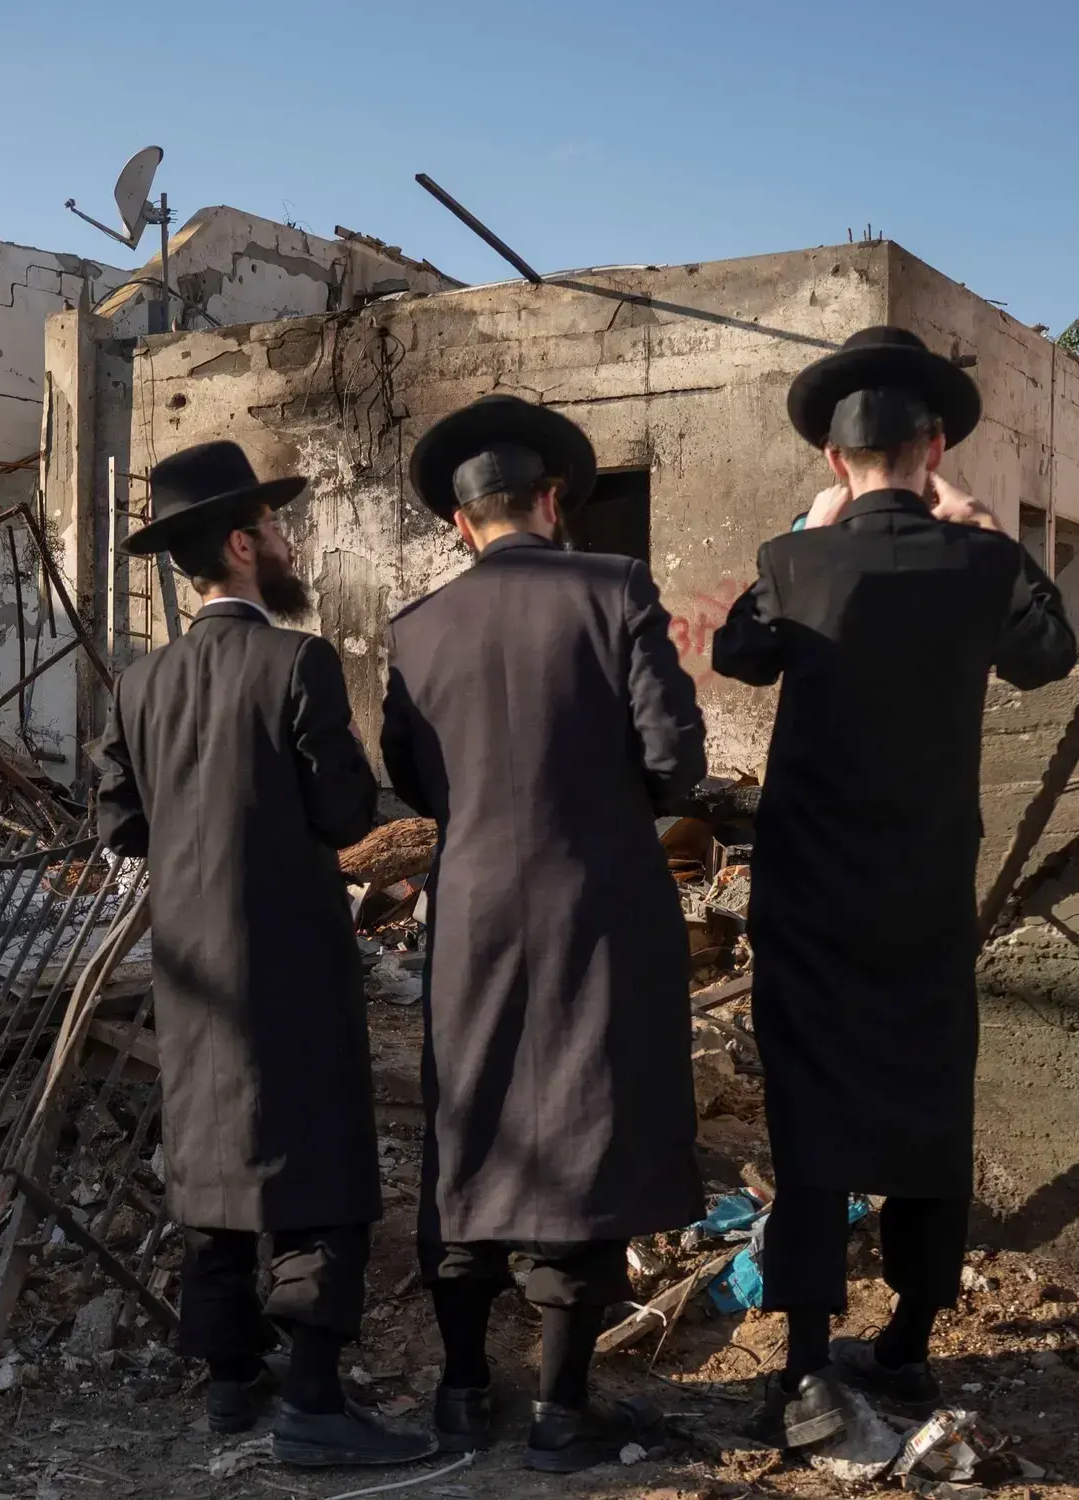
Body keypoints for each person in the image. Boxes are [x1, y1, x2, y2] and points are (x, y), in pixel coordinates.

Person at [712, 327, 1077, 1447]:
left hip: (809, 884)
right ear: (933, 447)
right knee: (929, 1090)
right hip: (922, 882)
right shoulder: (981, 564)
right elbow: (1047, 655)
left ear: (830, 460)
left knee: (811, 1102)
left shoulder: (794, 564)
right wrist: (978, 529)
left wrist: (803, 536)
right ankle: (911, 1338)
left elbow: (736, 655)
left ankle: (808, 1361)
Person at [381, 396, 708, 1472]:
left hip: (468, 905)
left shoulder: (415, 627)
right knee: (584, 1124)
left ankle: (463, 1388)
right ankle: (563, 1410)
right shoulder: (610, 586)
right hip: (598, 903)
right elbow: (674, 760)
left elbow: (412, 778)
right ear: (554, 498)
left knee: (466, 1125)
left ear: (457, 523)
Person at [96, 440, 436, 1469]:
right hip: (286, 952)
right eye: (278, 530)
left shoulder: (139, 683)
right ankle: (317, 1403)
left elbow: (117, 824)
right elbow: (340, 811)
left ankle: (229, 1388)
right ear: (243, 544)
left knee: (212, 1168)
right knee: (312, 1169)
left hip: (189, 962)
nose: (289, 545)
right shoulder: (298, 662)